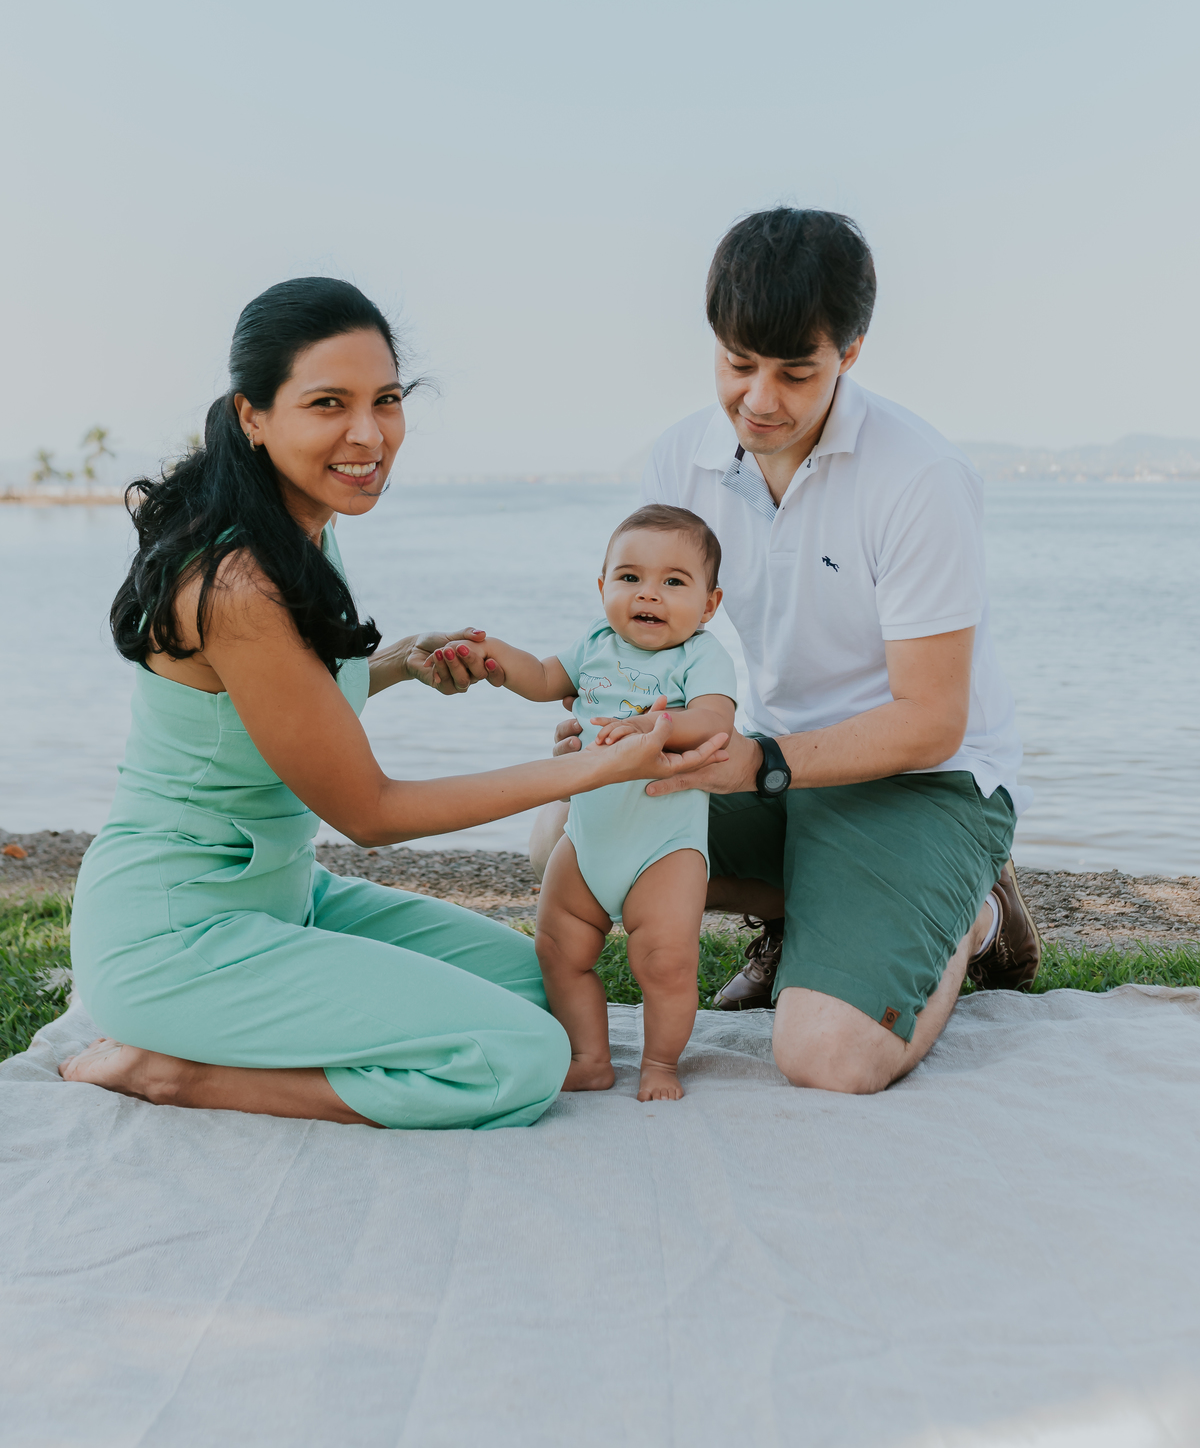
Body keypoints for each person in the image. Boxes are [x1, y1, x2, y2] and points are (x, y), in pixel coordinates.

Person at [59, 277, 727, 1130]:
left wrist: (401, 663)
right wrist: (604, 764)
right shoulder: (235, 581)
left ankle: (259, 1027)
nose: (368, 435)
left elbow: (275, 703)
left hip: (285, 898)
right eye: (328, 403)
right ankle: (174, 1074)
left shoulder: (299, 526)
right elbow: (371, 813)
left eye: (386, 401)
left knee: (547, 983)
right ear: (252, 416)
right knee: (523, 1056)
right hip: (177, 937)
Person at [530, 208, 1041, 1096]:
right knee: (561, 836)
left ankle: (977, 913)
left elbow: (931, 722)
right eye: (738, 365)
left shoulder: (919, 478)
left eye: (796, 372)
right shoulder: (681, 460)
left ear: (852, 352)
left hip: (926, 782)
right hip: (779, 764)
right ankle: (817, 909)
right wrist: (619, 726)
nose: (760, 401)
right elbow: (652, 644)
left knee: (827, 1059)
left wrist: (758, 764)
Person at [436, 505, 737, 1101]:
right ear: (603, 588)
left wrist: (657, 727)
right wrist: (492, 654)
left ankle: (660, 1065)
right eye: (629, 578)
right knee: (558, 950)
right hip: (587, 841)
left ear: (708, 604)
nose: (648, 593)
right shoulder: (595, 645)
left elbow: (714, 720)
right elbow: (544, 677)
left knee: (666, 964)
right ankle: (590, 1056)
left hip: (664, 849)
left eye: (674, 582)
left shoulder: (701, 656)